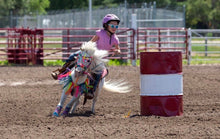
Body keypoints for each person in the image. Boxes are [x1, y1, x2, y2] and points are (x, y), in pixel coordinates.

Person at [51, 14, 121, 98]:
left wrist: (117, 51)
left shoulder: (115, 38)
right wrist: (85, 48)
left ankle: (91, 91)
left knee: (99, 73)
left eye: (116, 26)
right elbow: (91, 41)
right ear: (106, 25)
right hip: (91, 53)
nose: (114, 28)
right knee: (72, 56)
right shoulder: (99, 33)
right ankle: (61, 72)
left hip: (99, 59)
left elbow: (118, 49)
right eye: (112, 25)